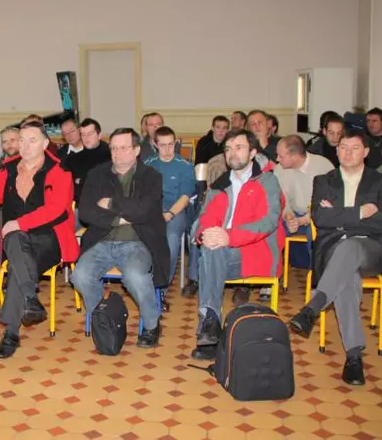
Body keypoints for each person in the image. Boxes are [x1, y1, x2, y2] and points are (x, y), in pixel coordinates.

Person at [289, 129, 382, 386]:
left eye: (354, 148)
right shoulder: (324, 181)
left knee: (351, 248)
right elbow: (321, 219)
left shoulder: (381, 181)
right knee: (348, 276)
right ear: (336, 151)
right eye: (343, 147)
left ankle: (313, 308)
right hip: (335, 249)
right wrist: (360, 213)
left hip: (371, 250)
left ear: (366, 152)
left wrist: (341, 218)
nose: (347, 153)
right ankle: (354, 357)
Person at [0, 121, 78, 359]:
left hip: (50, 240)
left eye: (32, 140)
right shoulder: (8, 170)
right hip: (17, 241)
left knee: (17, 257)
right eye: (22, 140)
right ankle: (29, 300)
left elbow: (57, 210)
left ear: (45, 143)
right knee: (16, 243)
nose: (25, 146)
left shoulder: (60, 171)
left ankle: (12, 331)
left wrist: (18, 223)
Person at [191, 129, 284, 360]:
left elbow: (269, 222)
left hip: (255, 252)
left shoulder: (268, 181)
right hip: (222, 253)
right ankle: (211, 323)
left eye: (239, 147)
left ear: (252, 152)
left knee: (210, 255)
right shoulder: (219, 185)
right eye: (228, 148)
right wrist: (205, 235)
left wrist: (228, 236)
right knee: (211, 249)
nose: (232, 153)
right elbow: (204, 219)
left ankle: (209, 325)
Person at [72, 128, 169, 349]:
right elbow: (86, 211)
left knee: (135, 276)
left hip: (138, 242)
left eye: (124, 148)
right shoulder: (97, 174)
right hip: (101, 241)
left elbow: (145, 209)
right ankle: (104, 317)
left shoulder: (151, 176)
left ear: (136, 150)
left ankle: (152, 325)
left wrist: (110, 204)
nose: (117, 153)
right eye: (114, 148)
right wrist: (119, 219)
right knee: (80, 276)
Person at [144, 126, 195, 311]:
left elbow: (184, 198)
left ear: (176, 143)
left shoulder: (185, 166)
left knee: (171, 241)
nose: (167, 149)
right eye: (162, 145)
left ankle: (161, 290)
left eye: (171, 144)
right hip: (151, 212)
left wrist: (169, 214)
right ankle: (145, 285)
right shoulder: (148, 165)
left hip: (175, 212)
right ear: (155, 145)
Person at [274, 135, 333, 268]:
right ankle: (270, 276)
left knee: (314, 232)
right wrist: (288, 216)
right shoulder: (279, 170)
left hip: (317, 216)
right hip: (293, 214)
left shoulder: (323, 167)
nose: (277, 159)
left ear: (294, 157)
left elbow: (329, 203)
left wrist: (303, 220)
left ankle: (317, 279)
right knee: (270, 229)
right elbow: (281, 199)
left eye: (281, 156)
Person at [62, 118, 111, 203]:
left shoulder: (111, 156)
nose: (86, 138)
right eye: (83, 134)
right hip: (80, 205)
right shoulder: (72, 160)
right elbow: (68, 187)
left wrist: (81, 181)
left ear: (99, 135)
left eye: (90, 134)